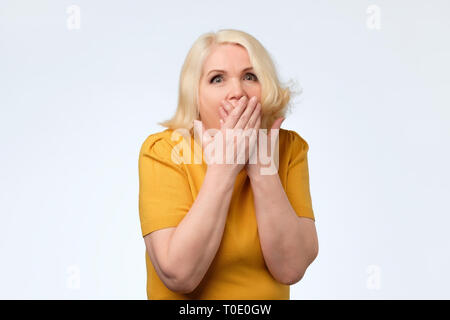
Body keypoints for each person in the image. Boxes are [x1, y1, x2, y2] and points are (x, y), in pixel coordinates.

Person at [138, 29, 319, 300]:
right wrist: (225, 167)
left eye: (250, 76)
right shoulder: (165, 151)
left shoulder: (289, 149)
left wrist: (260, 167)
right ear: (195, 96)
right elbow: (178, 273)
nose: (237, 92)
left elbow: (291, 268)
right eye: (217, 79)